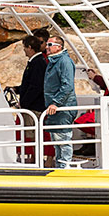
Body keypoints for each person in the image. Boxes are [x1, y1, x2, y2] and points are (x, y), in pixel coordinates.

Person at [40, 32, 80, 168]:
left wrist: (55, 102)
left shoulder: (64, 61)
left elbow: (67, 85)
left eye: (50, 45)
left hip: (62, 108)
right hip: (55, 109)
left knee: (63, 139)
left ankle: (65, 167)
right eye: (46, 45)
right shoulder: (54, 61)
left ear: (59, 46)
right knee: (57, 141)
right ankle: (60, 166)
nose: (47, 47)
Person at [16, 32, 48, 163]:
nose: (23, 50)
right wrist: (17, 89)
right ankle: (36, 159)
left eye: (24, 47)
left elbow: (36, 86)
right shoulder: (35, 62)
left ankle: (37, 160)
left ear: (30, 47)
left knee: (34, 135)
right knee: (32, 135)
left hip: (34, 106)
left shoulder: (38, 63)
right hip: (33, 105)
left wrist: (24, 103)